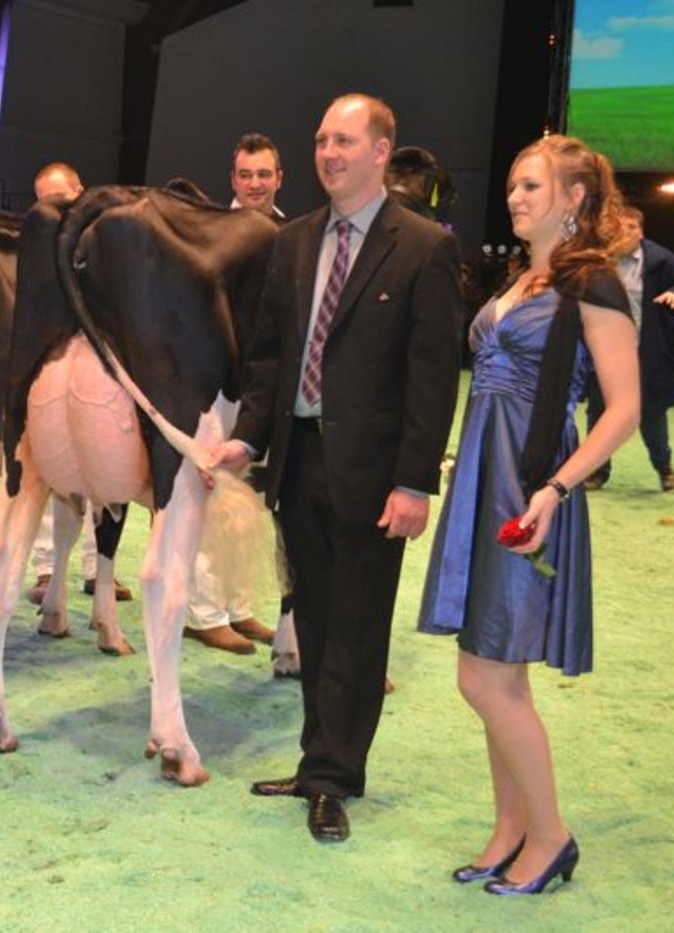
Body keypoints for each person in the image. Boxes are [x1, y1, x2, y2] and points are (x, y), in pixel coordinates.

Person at [211, 93, 464, 842]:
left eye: (345, 140)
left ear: (382, 150)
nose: (329, 152)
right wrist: (248, 439)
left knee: (357, 629)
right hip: (298, 461)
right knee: (313, 624)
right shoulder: (292, 243)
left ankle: (334, 777)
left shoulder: (422, 246)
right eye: (322, 139)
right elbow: (269, 358)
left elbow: (432, 375)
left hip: (376, 475)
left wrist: (416, 480)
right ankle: (316, 756)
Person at [418, 134, 641, 895]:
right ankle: (511, 826)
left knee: (487, 678)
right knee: (491, 667)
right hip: (487, 477)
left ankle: (550, 834)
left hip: (529, 487)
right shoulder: (523, 277)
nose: (514, 197)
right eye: (512, 185)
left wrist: (554, 490)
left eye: (532, 186)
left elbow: (624, 410)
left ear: (574, 198)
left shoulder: (594, 284)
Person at [184, 133, 286, 654]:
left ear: (278, 178)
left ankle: (239, 607)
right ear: (232, 179)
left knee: (248, 500)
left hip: (262, 389)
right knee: (209, 495)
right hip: (213, 386)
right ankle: (203, 612)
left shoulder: (290, 236)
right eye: (245, 175)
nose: (254, 184)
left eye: (263, 175)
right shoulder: (208, 236)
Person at [24, 161, 133, 606]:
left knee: (105, 470)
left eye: (63, 198)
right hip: (50, 369)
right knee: (49, 470)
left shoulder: (107, 241)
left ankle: (96, 567)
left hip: (98, 365)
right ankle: (47, 569)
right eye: (46, 201)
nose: (56, 208)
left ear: (81, 191)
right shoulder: (35, 248)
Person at [584, 206, 674, 492]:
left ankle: (664, 468)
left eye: (633, 227)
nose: (627, 232)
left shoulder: (659, 260)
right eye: (621, 227)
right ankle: (596, 472)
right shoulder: (601, 261)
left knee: (651, 415)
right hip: (607, 352)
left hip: (648, 353)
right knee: (599, 412)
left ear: (641, 231)